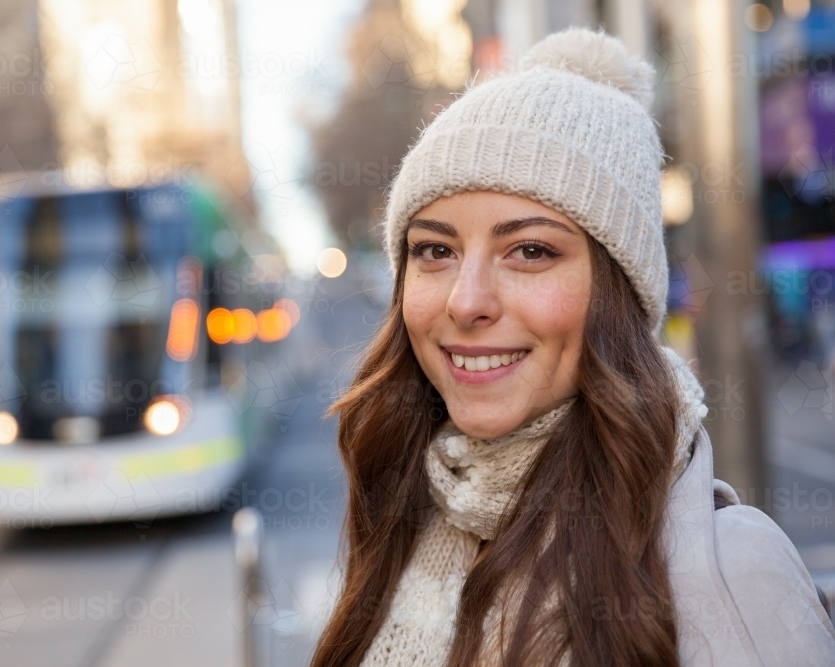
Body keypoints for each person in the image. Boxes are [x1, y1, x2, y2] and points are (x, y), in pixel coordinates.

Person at [309, 28, 835, 667]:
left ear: (617, 292)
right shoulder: (399, 524)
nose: (466, 300)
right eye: (435, 250)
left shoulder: (735, 573)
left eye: (530, 250)